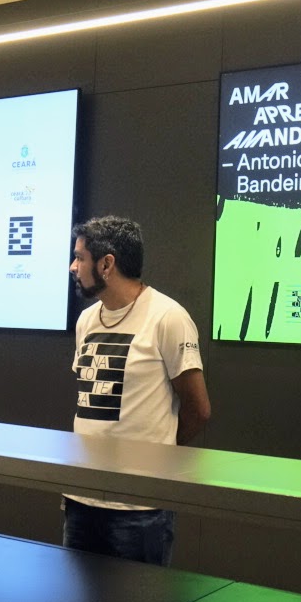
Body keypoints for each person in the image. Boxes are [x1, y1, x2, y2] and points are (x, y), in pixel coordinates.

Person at [65, 216, 210, 565]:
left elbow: (198, 409)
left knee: (139, 601)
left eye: (80, 257)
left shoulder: (168, 317)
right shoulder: (86, 320)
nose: (73, 267)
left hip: (139, 509)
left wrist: (157, 456)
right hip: (81, 498)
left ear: (107, 264)